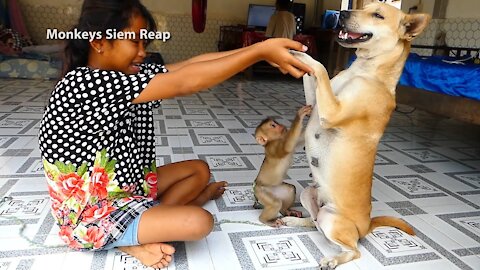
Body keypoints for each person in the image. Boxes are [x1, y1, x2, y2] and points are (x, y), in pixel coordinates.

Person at [38, 0, 312, 268]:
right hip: (91, 213)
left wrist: (256, 49)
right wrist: (259, 53)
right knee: (199, 223)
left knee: (198, 170)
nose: (142, 52)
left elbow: (188, 66)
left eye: (145, 43)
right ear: (99, 42)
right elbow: (185, 82)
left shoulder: (123, 76)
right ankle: (126, 241)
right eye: (134, 41)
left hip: (126, 188)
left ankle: (147, 223)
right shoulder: (84, 82)